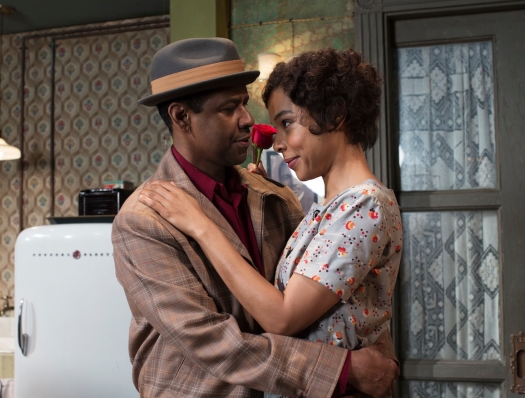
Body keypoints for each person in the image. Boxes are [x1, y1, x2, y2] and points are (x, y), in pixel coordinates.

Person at [112, 38, 399, 397]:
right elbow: (210, 341)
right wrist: (343, 370)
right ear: (182, 117)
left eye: (245, 104)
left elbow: (337, 297)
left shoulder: (276, 198)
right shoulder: (144, 221)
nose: (248, 120)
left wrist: (377, 352)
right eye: (230, 108)